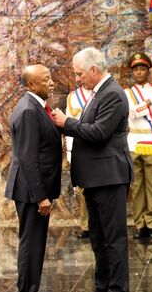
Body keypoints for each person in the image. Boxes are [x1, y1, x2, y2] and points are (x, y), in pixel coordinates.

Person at [51, 47, 132, 292]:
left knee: (113, 240)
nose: (77, 79)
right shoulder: (99, 93)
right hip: (97, 179)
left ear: (94, 70)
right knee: (98, 239)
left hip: (109, 178)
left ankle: (117, 288)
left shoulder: (113, 94)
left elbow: (99, 133)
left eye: (79, 74)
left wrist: (67, 123)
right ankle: (103, 285)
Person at [4, 64, 62, 292]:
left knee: (35, 243)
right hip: (31, 192)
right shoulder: (29, 110)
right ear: (31, 85)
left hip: (34, 189)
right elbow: (27, 158)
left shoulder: (37, 106)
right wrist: (41, 197)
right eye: (46, 79)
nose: (52, 82)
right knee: (32, 244)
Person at [125, 52, 152, 240]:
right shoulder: (126, 93)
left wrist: (150, 101)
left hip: (151, 141)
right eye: (136, 70)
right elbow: (129, 114)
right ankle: (140, 223)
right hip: (133, 142)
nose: (139, 72)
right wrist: (145, 105)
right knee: (137, 185)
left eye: (142, 69)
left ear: (149, 71)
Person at [64, 85, 91, 239]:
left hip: (96, 149)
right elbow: (68, 127)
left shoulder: (100, 95)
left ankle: (97, 225)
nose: (79, 78)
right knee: (82, 191)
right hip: (78, 150)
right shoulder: (73, 97)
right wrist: (69, 153)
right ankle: (85, 225)